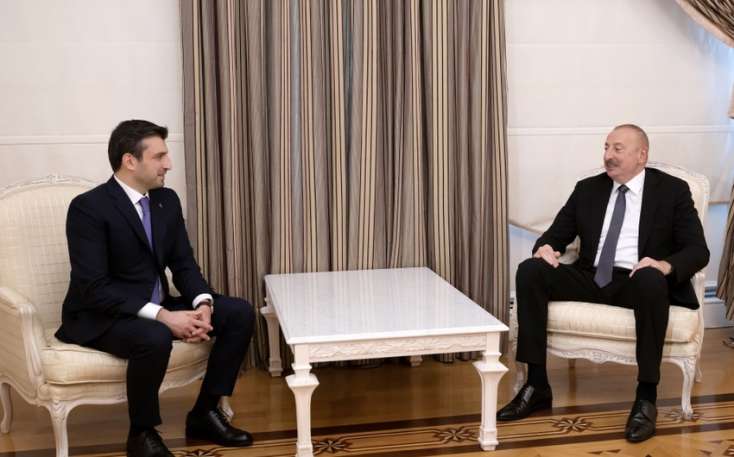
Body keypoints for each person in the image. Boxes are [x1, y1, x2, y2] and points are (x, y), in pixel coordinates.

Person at [56, 120, 256, 457]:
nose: (169, 164)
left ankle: (205, 412)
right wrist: (164, 316)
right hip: (103, 314)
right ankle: (142, 433)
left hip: (155, 305)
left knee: (238, 312)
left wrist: (203, 304)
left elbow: (183, 263)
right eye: (160, 156)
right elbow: (94, 287)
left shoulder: (166, 201)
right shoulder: (88, 208)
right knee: (155, 335)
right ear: (129, 161)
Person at [498, 124, 709, 443]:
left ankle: (646, 397)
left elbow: (697, 250)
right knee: (531, 270)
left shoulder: (672, 191)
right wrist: (546, 248)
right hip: (591, 277)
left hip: (637, 280)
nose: (608, 155)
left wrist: (663, 265)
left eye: (617, 149)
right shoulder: (588, 189)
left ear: (641, 155)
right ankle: (536, 385)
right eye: (606, 147)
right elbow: (554, 236)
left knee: (651, 280)